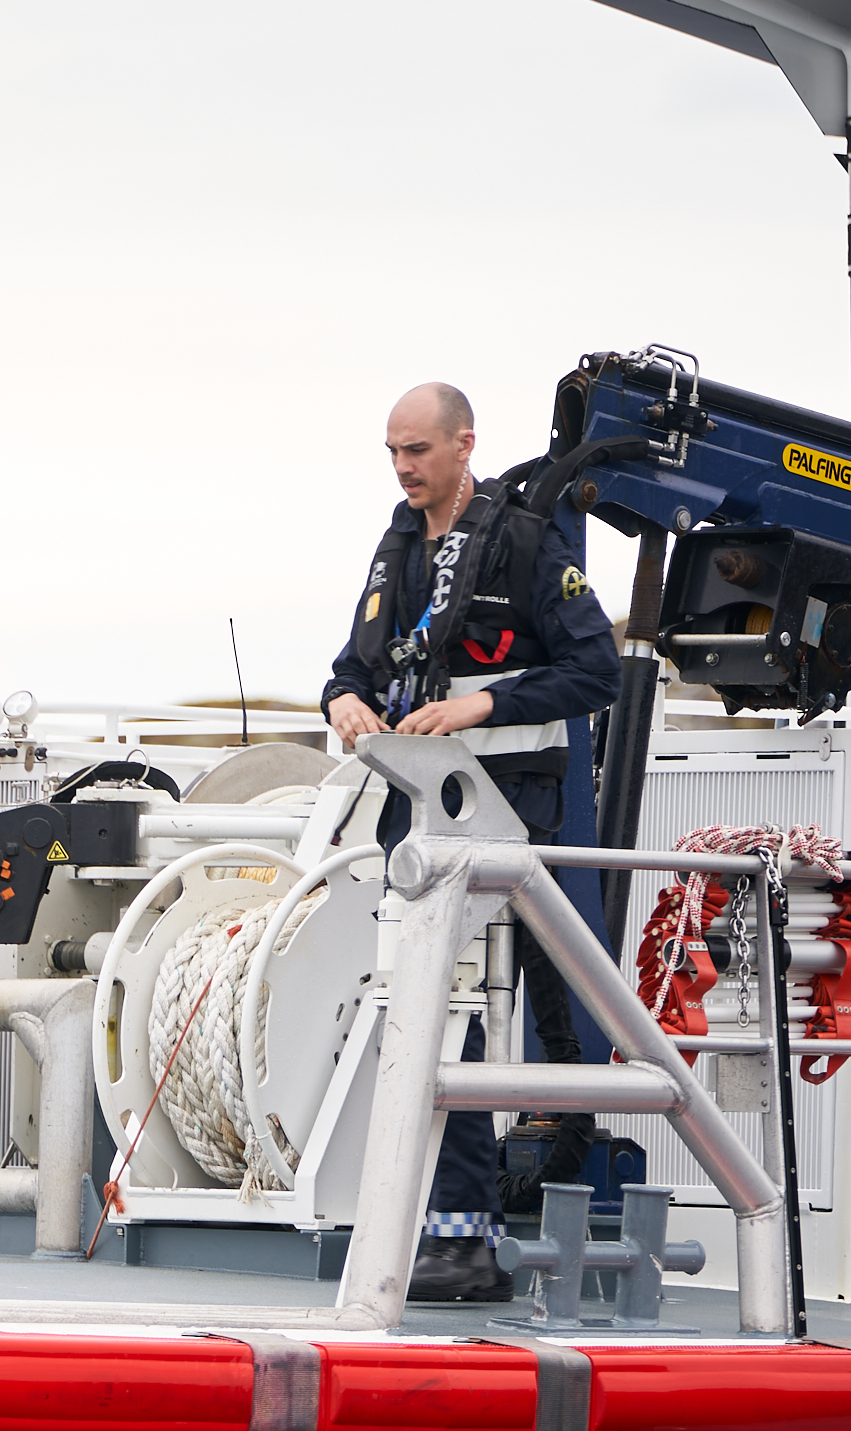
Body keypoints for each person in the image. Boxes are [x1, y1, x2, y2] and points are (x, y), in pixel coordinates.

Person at [322, 382, 623, 1305]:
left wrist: (485, 703)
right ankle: (443, 1223)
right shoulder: (397, 550)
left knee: (466, 1009)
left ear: (464, 446)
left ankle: (466, 1230)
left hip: (505, 818)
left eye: (418, 450)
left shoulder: (529, 542)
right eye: (393, 453)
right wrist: (341, 700)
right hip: (416, 812)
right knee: (412, 1006)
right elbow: (351, 667)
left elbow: (596, 670)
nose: (405, 467)